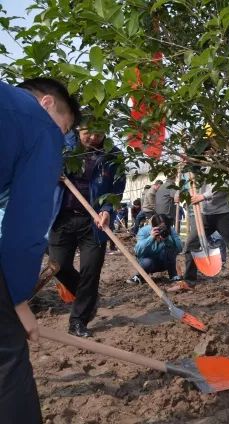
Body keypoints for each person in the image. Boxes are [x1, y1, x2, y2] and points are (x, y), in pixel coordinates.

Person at [0, 77, 80, 424]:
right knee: (6, 355)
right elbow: (27, 222)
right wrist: (17, 300)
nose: (62, 139)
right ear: (46, 103)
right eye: (65, 129)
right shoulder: (39, 124)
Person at [48, 114, 125, 338]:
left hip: (94, 222)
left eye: (98, 134)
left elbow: (117, 189)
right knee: (58, 266)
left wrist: (107, 210)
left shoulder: (113, 155)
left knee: (91, 270)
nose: (92, 138)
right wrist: (52, 172)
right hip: (62, 218)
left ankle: (78, 320)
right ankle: (89, 298)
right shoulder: (62, 147)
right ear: (77, 129)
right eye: (87, 133)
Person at [170, 184, 229, 292]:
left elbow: (225, 185)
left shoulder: (227, 172)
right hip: (206, 213)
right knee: (191, 244)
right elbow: (192, 184)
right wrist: (182, 194)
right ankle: (189, 282)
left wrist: (203, 196)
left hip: (225, 212)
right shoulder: (201, 173)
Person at [127, 214, 182, 284]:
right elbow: (138, 251)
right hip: (147, 262)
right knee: (147, 262)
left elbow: (179, 248)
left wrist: (168, 239)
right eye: (159, 228)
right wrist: (151, 238)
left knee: (171, 250)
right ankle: (140, 276)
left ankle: (173, 276)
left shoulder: (170, 230)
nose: (162, 230)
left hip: (164, 262)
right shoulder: (144, 231)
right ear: (153, 226)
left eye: (164, 228)